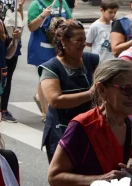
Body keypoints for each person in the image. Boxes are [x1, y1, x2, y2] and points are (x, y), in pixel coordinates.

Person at [48, 59, 132, 185]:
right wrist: (100, 179)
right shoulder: (83, 126)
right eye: (126, 89)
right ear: (102, 89)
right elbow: (54, 177)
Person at [38, 19, 97, 162]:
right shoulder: (51, 67)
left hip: (89, 127)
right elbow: (56, 100)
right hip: (62, 130)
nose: (84, 44)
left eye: (84, 39)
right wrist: (91, 93)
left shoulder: (92, 60)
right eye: (79, 40)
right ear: (64, 41)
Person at [27, 0, 72, 118]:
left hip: (57, 47)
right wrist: (42, 16)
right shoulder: (36, 4)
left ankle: (40, 97)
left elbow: (70, 20)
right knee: (44, 77)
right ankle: (45, 113)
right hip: (41, 47)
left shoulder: (62, 2)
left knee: (57, 77)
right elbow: (31, 27)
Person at [0, 0, 25, 123]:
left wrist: (20, 7)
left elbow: (19, 19)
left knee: (8, 77)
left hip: (13, 41)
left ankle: (4, 109)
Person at [86, 0, 119, 64]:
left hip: (112, 61)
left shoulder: (115, 24)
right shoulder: (95, 26)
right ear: (102, 10)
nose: (113, 15)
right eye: (110, 12)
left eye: (115, 12)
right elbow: (88, 42)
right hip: (99, 61)